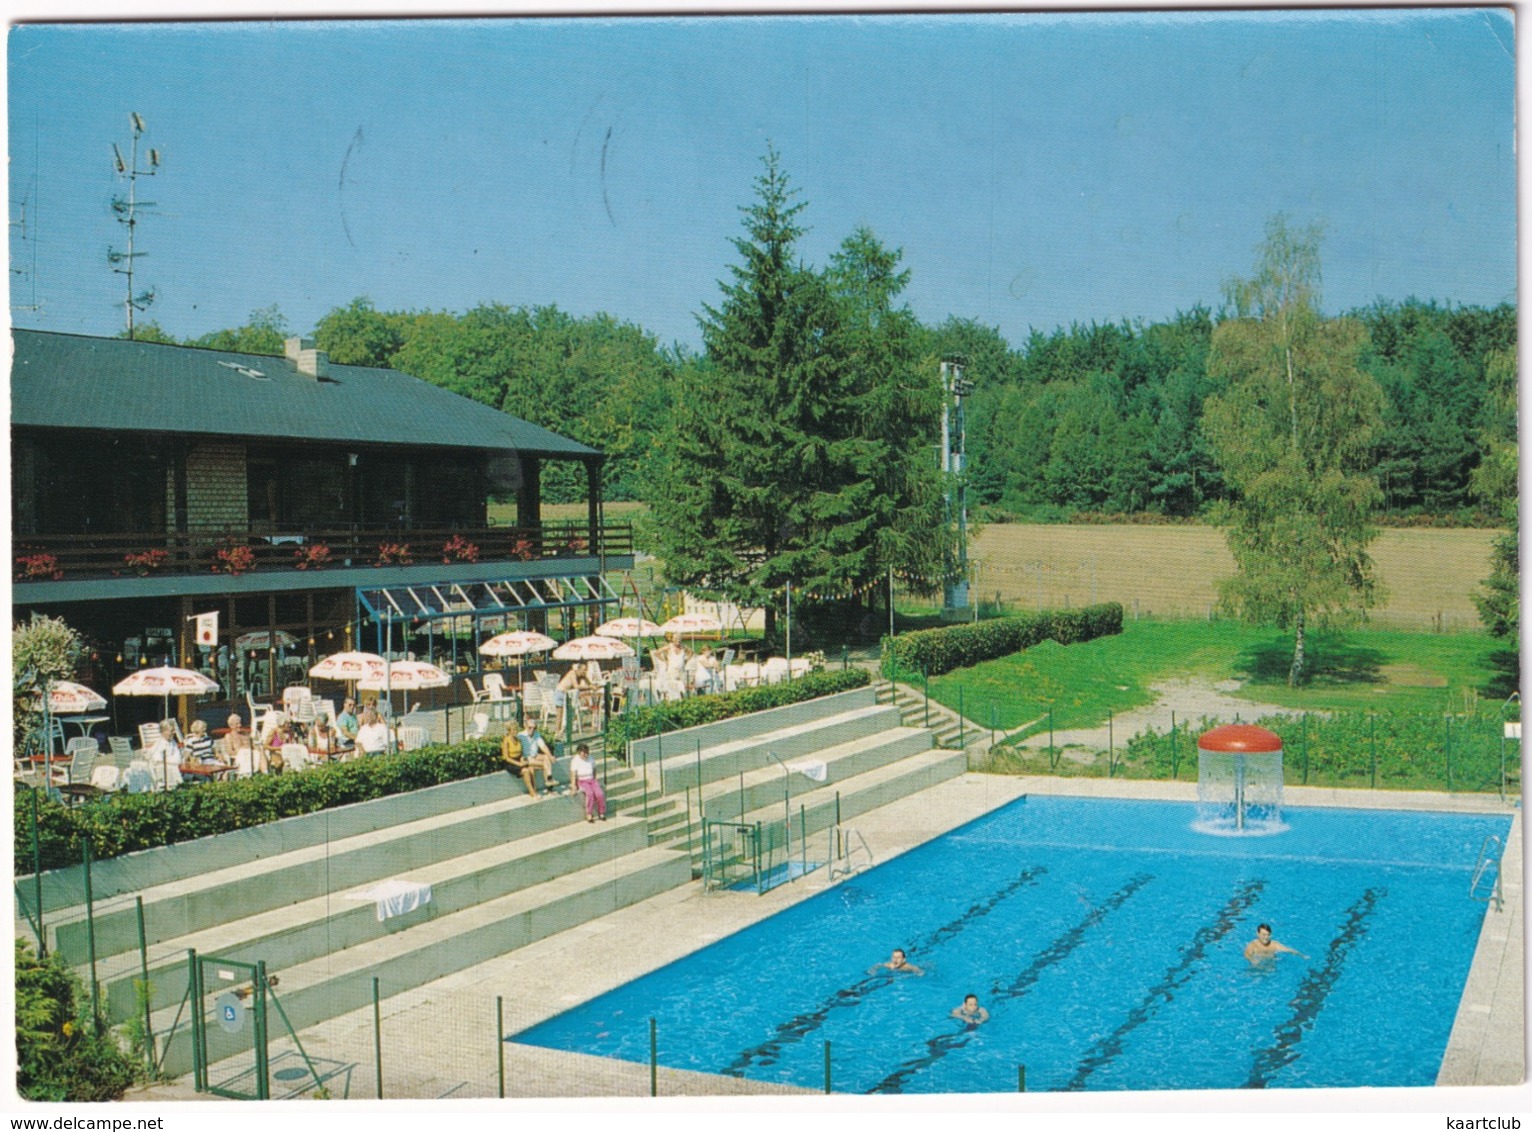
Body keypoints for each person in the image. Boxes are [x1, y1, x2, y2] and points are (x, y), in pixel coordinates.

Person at [500, 723, 547, 797]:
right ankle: (532, 793)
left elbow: (520, 753)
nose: (516, 732)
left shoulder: (518, 739)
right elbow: (506, 758)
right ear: (509, 731)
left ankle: (535, 790)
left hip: (519, 760)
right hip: (511, 763)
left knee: (531, 768)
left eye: (516, 730)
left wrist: (522, 760)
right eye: (514, 730)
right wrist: (519, 764)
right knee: (526, 771)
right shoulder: (506, 740)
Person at [516, 718, 558, 793]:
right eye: (530, 727)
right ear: (525, 726)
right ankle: (550, 786)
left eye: (534, 728)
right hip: (526, 758)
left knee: (546, 757)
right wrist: (526, 758)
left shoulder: (536, 734)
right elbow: (518, 751)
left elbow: (543, 746)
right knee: (545, 764)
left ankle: (549, 779)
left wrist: (550, 756)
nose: (532, 729)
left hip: (535, 756)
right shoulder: (520, 736)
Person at [570, 742, 607, 822]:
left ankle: (601, 812)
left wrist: (595, 780)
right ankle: (589, 814)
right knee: (590, 794)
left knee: (600, 794)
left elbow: (594, 770)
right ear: (579, 752)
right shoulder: (575, 760)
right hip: (582, 781)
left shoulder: (591, 758)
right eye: (584, 753)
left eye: (587, 753)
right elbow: (573, 775)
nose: (586, 755)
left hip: (591, 780)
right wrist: (573, 786)